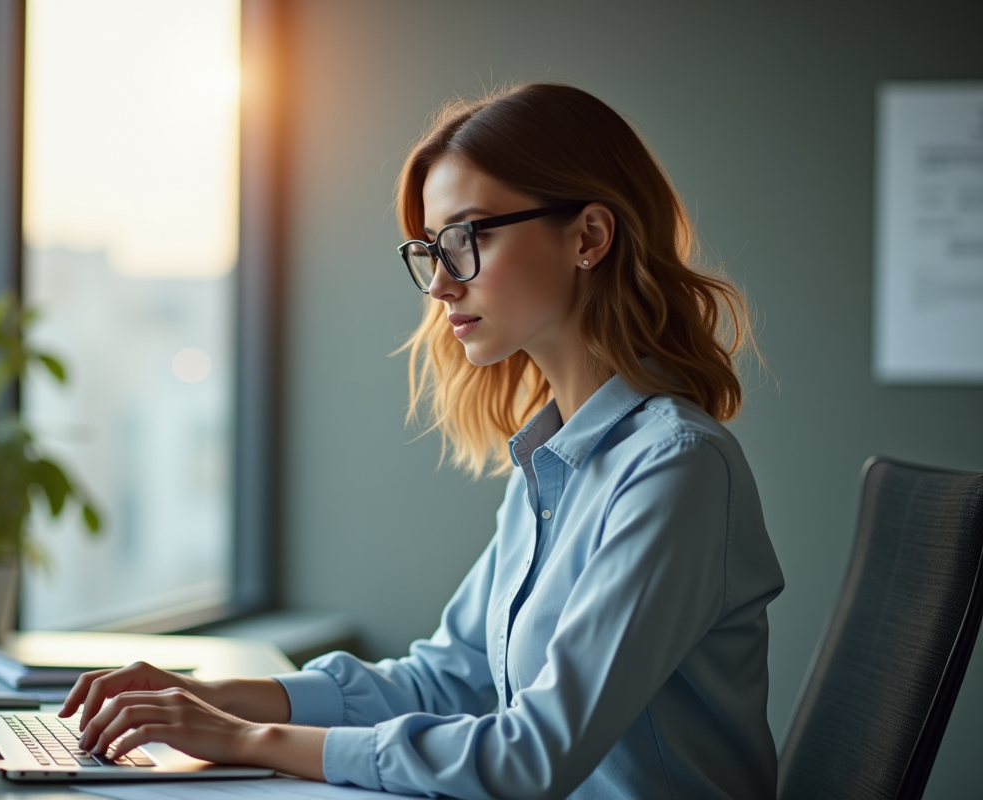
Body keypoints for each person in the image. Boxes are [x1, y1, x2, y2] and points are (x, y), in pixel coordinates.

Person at [60, 82, 785, 800]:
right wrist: (207, 699)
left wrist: (246, 742)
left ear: (589, 236)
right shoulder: (551, 461)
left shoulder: (675, 471)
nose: (439, 285)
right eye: (431, 249)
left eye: (467, 239)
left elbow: (529, 757)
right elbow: (449, 679)